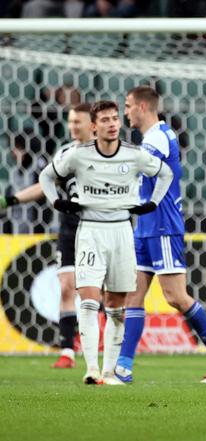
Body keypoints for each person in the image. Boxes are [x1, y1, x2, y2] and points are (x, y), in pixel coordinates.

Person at [39, 100, 173, 385]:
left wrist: (153, 202)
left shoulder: (133, 155)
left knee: (115, 305)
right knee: (88, 298)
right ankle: (91, 368)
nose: (113, 124)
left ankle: (110, 371)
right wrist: (56, 202)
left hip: (122, 230)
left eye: (115, 118)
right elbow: (46, 176)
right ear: (93, 126)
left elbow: (166, 173)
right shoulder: (77, 155)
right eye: (105, 120)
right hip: (90, 230)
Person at [113, 86, 206, 384]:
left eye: (128, 106)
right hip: (144, 226)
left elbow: (134, 167)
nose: (125, 111)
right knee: (134, 295)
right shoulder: (150, 138)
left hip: (163, 228)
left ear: (142, 107)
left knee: (176, 297)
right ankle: (123, 368)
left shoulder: (158, 137)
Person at [0, 103, 93, 368]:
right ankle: (67, 352)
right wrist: (11, 200)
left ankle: (106, 348)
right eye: (71, 122)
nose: (73, 126)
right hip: (68, 225)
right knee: (66, 285)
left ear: (92, 124)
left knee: (99, 292)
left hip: (99, 226)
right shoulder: (64, 152)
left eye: (78, 122)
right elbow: (45, 183)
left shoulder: (106, 151)